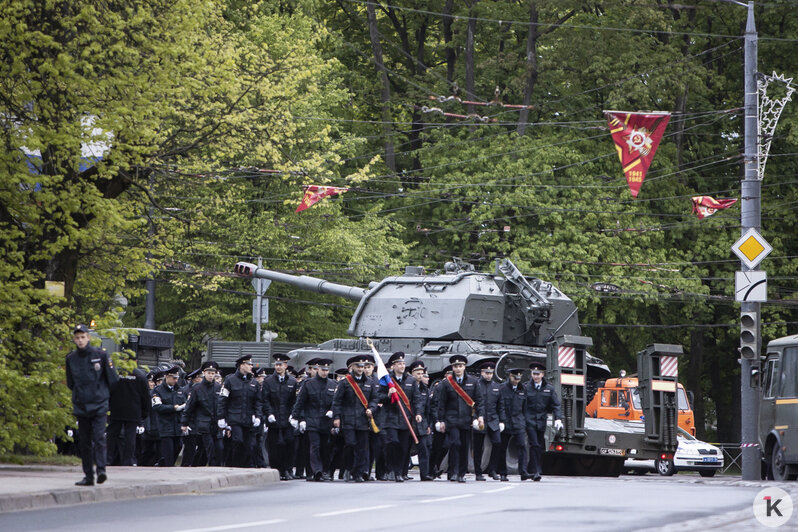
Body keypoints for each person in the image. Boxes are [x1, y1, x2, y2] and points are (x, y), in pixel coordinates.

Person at [65, 324, 119, 486]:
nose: (80, 340)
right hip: (82, 405)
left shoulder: (100, 355)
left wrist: (102, 395)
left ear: (88, 337)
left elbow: (112, 379)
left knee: (99, 437)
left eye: (83, 337)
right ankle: (88, 475)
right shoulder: (71, 359)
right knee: (84, 441)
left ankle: (101, 470)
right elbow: (70, 382)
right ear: (74, 340)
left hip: (99, 404)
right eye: (77, 338)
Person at [435, 355, 484, 483]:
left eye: (460, 366)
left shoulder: (473, 382)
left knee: (464, 446)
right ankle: (453, 472)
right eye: (456, 366)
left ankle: (461, 473)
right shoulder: (447, 383)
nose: (458, 369)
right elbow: (442, 403)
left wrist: (480, 416)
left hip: (466, 420)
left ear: (464, 367)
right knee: (455, 444)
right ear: (452, 368)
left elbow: (479, 401)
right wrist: (441, 420)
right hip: (452, 420)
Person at [378, 351, 422, 482]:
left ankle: (399, 472)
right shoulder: (386, 380)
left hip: (405, 419)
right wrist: (388, 395)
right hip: (390, 418)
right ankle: (391, 469)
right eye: (399, 363)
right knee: (393, 444)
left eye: (403, 363)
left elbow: (417, 399)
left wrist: (418, 413)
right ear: (393, 366)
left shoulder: (411, 380)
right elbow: (378, 397)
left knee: (404, 447)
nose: (402, 366)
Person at [332, 355, 377, 482]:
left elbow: (374, 399)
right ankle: (348, 467)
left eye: (362, 366)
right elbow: (337, 401)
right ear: (352, 367)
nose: (361, 368)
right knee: (350, 444)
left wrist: (371, 409)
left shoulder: (369, 382)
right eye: (358, 366)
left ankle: (358, 472)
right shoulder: (345, 382)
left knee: (362, 448)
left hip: (363, 420)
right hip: (348, 419)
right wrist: (336, 417)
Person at [292, 358, 336, 481]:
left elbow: (336, 402)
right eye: (322, 370)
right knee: (315, 446)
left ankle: (324, 471)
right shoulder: (308, 384)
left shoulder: (333, 384)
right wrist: (296, 417)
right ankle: (316, 471)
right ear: (317, 369)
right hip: (312, 420)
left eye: (327, 370)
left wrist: (333, 411)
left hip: (326, 421)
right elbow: (300, 402)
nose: (325, 372)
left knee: (325, 448)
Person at [218, 354, 262, 468]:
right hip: (234, 418)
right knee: (238, 441)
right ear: (241, 365)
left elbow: (258, 401)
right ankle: (235, 466)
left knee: (249, 445)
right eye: (249, 364)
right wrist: (221, 417)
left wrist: (258, 416)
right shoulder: (230, 380)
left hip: (248, 419)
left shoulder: (254, 383)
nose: (251, 366)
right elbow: (223, 400)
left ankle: (245, 467)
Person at [524, 362, 563, 481]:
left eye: (538, 374)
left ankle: (531, 469)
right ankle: (537, 471)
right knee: (534, 444)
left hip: (541, 421)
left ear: (542, 374)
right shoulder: (526, 387)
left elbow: (556, 405)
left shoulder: (549, 389)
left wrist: (558, 418)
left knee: (538, 446)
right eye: (533, 374)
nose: (535, 376)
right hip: (529, 420)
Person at [263, 353, 297, 479]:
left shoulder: (292, 382)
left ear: (285, 366)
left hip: (287, 419)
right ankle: (277, 470)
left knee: (289, 443)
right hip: (274, 418)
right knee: (274, 446)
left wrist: (293, 415)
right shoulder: (268, 381)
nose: (278, 367)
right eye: (276, 364)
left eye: (280, 365)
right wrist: (269, 413)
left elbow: (294, 401)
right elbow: (265, 400)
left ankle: (287, 469)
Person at [181, 361, 222, 466]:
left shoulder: (218, 387)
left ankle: (198, 466)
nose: (211, 375)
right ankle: (213, 468)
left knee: (215, 448)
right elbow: (190, 406)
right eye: (209, 373)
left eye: (213, 374)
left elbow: (222, 405)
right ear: (204, 373)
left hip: (215, 423)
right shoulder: (197, 388)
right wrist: (184, 423)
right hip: (203, 423)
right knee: (210, 448)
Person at [107, 367, 150, 466]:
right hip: (133, 410)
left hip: (116, 409)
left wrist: (108, 406)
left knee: (112, 435)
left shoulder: (116, 372)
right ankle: (128, 460)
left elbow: (109, 389)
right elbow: (145, 395)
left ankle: (107, 459)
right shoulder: (140, 375)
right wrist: (145, 412)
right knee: (130, 436)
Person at [472, 361, 505, 481]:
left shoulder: (496, 386)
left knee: (497, 443)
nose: (489, 375)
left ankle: (492, 469)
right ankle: (478, 472)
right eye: (486, 373)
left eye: (491, 373)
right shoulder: (476, 385)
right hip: (480, 420)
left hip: (493, 420)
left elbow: (500, 405)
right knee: (478, 447)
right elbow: (471, 404)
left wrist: (502, 421)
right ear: (481, 373)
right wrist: (474, 418)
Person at [151, 365, 187, 466]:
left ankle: (162, 464)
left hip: (178, 426)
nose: (176, 380)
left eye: (177, 378)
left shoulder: (180, 390)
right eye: (174, 378)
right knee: (169, 452)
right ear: (167, 376)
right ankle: (168, 468)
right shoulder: (158, 390)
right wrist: (173, 408)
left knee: (178, 447)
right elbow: (157, 407)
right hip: (166, 426)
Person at [497, 368, 529, 481]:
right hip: (506, 422)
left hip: (518, 422)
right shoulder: (502, 388)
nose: (517, 380)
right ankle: (502, 473)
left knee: (522, 446)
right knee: (503, 448)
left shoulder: (523, 389)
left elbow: (524, 408)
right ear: (510, 376)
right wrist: (501, 421)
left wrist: (523, 421)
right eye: (515, 378)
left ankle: (523, 472)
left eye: (519, 378)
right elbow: (499, 406)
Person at [409, 361, 433, 481]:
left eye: (421, 373)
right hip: (408, 421)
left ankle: (425, 473)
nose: (420, 375)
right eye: (417, 373)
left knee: (424, 449)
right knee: (406, 448)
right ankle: (401, 472)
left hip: (421, 422)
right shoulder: (407, 386)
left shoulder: (425, 390)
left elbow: (428, 409)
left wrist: (428, 424)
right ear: (411, 373)